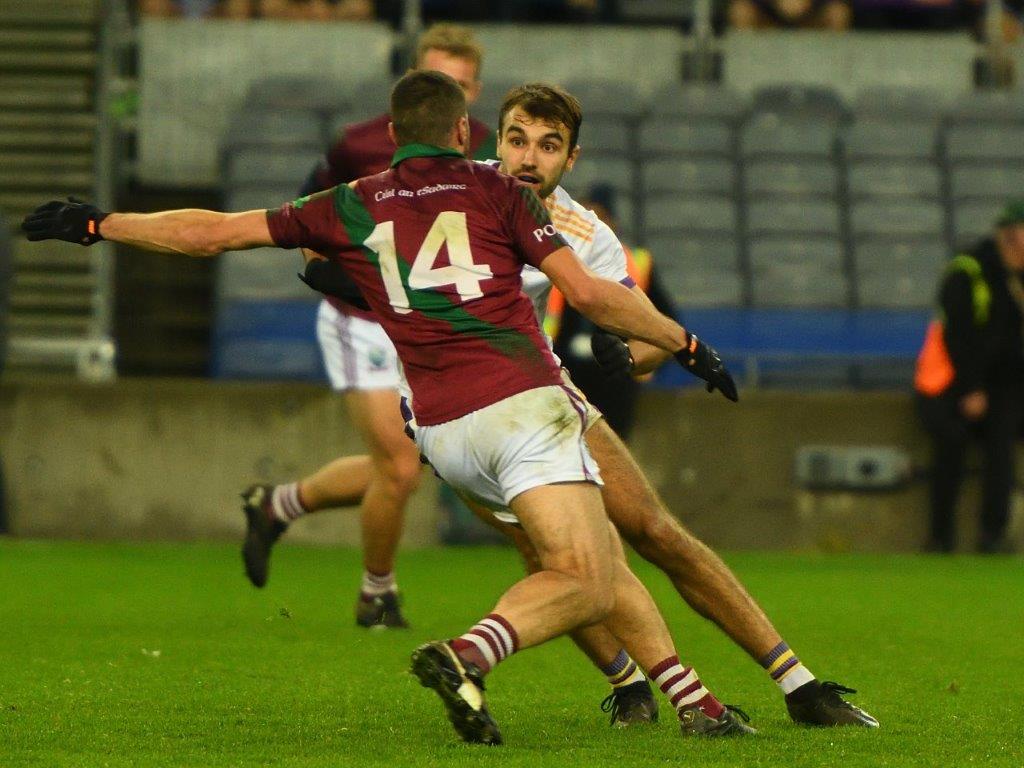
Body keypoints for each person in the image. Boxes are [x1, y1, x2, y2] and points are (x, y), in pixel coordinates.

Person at [22, 69, 754, 743]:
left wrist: (101, 224)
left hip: (439, 431)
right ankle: (468, 653)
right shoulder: (501, 193)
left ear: (394, 134)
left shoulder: (352, 199)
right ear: (467, 135)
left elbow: (211, 234)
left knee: (556, 559)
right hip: (521, 401)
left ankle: (684, 701)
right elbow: (595, 297)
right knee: (592, 576)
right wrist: (689, 346)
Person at [244, 81, 880, 728]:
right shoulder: (449, 189)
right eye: (517, 139)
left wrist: (634, 356)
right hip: (449, 406)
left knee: (649, 533)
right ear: (493, 138)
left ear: (571, 159)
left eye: (549, 147)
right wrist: (347, 274)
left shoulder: (587, 233)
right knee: (568, 558)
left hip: (536, 396)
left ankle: (790, 685)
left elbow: (642, 329)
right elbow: (331, 235)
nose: (528, 158)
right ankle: (642, 688)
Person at [239, 23, 496, 630]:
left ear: (474, 93)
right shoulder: (358, 145)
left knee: (417, 460)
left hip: (432, 327)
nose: (442, 92)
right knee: (402, 466)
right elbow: (305, 219)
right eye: (432, 78)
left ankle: (278, 504)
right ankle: (377, 593)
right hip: (364, 324)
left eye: (456, 84)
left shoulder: (484, 153)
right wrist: (334, 278)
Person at [914, 200, 1024, 554]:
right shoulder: (969, 270)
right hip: (950, 385)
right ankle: (939, 537)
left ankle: (993, 537)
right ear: (1010, 235)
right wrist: (972, 388)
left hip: (1004, 385)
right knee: (951, 444)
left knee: (1001, 450)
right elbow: (958, 336)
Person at [544, 183, 677, 440]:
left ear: (612, 224)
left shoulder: (636, 263)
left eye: (599, 218)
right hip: (564, 377)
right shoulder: (553, 260)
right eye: (584, 217)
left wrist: (641, 363)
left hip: (614, 384)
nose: (590, 228)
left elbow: (666, 323)